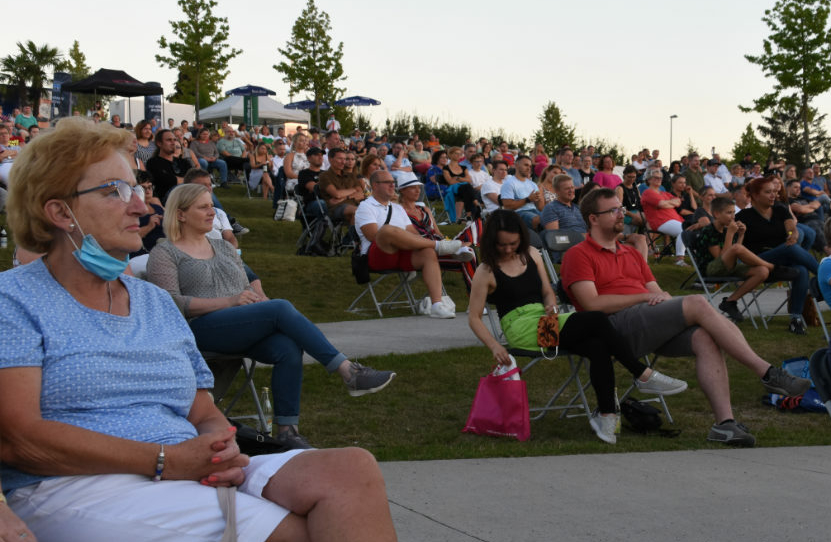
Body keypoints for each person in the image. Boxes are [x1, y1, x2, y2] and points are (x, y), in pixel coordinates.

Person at [0, 118, 422, 542]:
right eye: (114, 191)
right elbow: (19, 438)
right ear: (60, 212)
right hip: (68, 487)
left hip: (180, 469)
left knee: (350, 468)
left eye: (138, 187)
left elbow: (201, 407)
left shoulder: (152, 301)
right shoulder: (14, 301)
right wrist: (165, 461)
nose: (141, 206)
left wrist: (220, 443)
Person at [147, 184, 395, 448]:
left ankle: (288, 432)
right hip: (199, 330)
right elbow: (169, 302)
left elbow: (243, 285)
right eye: (203, 207)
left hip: (240, 324)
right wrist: (230, 302)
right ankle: (348, 371)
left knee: (288, 347)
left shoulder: (224, 247)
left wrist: (255, 300)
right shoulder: (165, 252)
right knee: (279, 308)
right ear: (181, 214)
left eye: (212, 205)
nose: (212, 212)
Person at [561, 188, 811, 447]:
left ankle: (724, 424)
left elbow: (656, 292)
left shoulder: (631, 253)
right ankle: (767, 373)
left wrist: (660, 301)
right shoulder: (578, 254)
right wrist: (644, 299)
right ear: (593, 219)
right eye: (613, 211)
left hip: (648, 321)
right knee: (697, 301)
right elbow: (592, 304)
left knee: (705, 337)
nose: (621, 215)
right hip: (614, 330)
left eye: (621, 209)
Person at [467, 210, 687, 443]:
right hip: (521, 328)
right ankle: (641, 374)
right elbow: (473, 317)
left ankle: (607, 415)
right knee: (596, 318)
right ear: (492, 242)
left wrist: (551, 304)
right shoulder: (486, 270)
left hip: (545, 321)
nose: (509, 249)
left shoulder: (531, 254)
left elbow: (546, 292)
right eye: (502, 245)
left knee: (597, 346)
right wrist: (494, 346)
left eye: (513, 243)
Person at [356, 171, 465, 319]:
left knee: (427, 253)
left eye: (393, 182)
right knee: (387, 230)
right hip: (380, 254)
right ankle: (439, 246)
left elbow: (414, 234)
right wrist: (398, 235)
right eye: (387, 182)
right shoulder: (365, 206)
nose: (392, 185)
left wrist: (411, 241)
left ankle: (437, 305)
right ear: (375, 185)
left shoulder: (397, 208)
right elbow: (373, 236)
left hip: (403, 253)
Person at [737, 176, 818, 335]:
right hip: (758, 262)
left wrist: (793, 234)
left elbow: (791, 228)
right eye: (768, 192)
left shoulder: (780, 210)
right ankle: (825, 276)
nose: (773, 195)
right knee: (790, 249)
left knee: (801, 269)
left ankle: (795, 319)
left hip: (781, 260)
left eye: (774, 191)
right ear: (755, 195)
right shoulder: (743, 216)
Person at [691, 196, 773, 323]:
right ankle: (772, 266)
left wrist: (740, 235)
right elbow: (721, 257)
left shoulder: (727, 229)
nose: (733, 216)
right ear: (717, 214)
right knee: (737, 249)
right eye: (729, 213)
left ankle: (730, 301)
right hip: (710, 269)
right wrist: (730, 234)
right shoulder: (709, 230)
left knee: (762, 271)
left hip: (729, 265)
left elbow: (736, 252)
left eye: (734, 212)